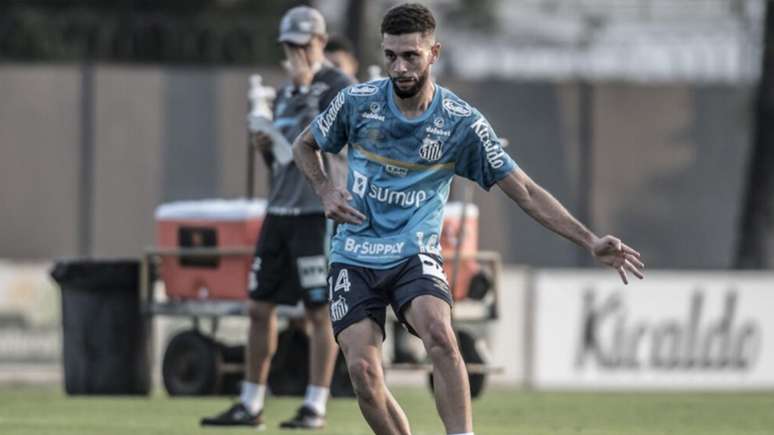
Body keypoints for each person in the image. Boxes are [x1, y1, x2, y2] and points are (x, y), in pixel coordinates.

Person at [291, 3, 645, 434]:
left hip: (412, 254)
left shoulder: (461, 124)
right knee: (364, 375)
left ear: (433, 53)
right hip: (354, 255)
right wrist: (326, 189)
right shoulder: (358, 102)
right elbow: (303, 145)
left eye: (411, 56)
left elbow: (527, 192)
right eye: (391, 56)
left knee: (440, 335)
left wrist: (590, 241)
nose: (399, 67)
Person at [201, 6, 354, 430]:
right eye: (289, 46)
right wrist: (263, 142)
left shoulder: (338, 86)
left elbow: (335, 145)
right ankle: (250, 402)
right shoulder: (285, 91)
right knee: (257, 306)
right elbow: (283, 162)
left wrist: (308, 91)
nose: (295, 54)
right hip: (280, 210)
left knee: (318, 311)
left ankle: (315, 405)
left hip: (315, 213)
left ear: (321, 43)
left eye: (302, 45)